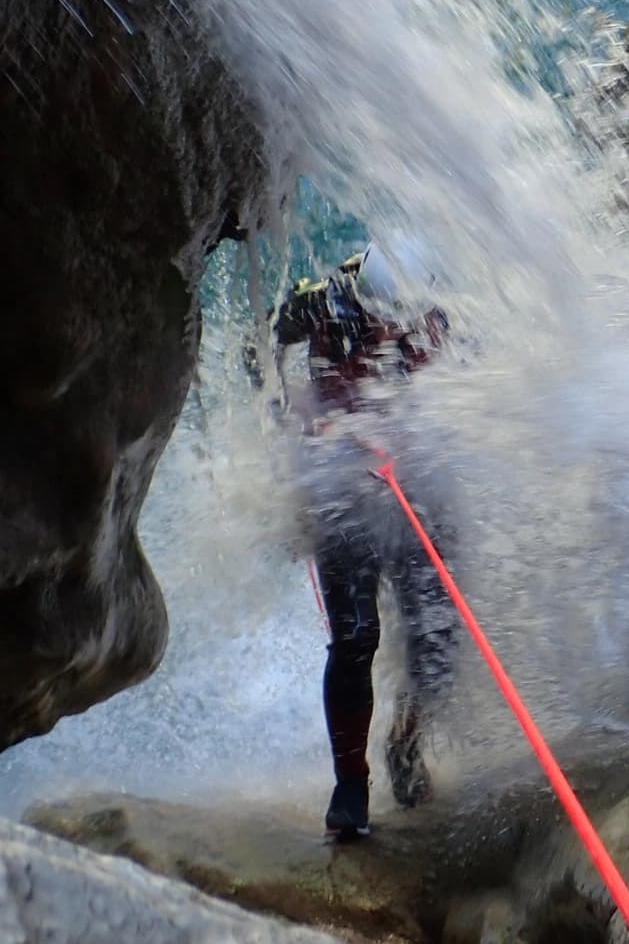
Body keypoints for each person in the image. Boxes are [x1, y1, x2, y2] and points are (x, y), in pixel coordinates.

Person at [257, 242, 456, 840]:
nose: (382, 326)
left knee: (436, 641)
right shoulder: (315, 306)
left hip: (416, 481)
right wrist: (286, 423)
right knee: (355, 638)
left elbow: (468, 395)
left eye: (392, 318)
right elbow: (263, 347)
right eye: (375, 314)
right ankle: (350, 783)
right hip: (337, 480)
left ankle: (405, 742)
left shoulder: (436, 318)